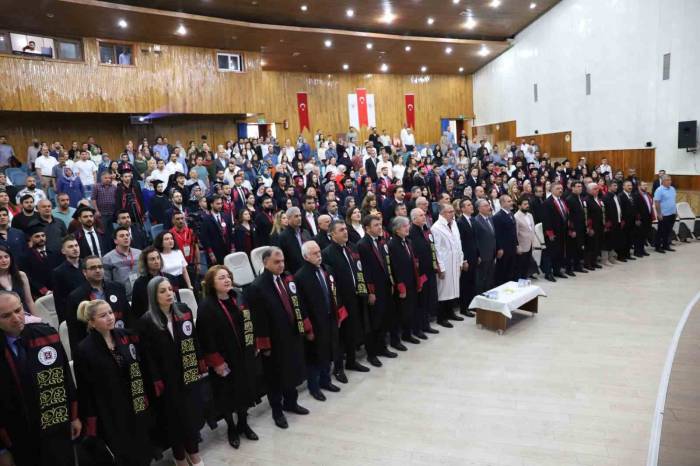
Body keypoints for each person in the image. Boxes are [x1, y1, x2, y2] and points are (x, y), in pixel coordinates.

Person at [0, 290, 81, 466]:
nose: (16, 318)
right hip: (20, 431)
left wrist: (74, 416)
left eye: (18, 310)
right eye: (6, 316)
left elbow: (66, 377)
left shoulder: (46, 335)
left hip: (55, 424)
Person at [73, 300, 154, 466]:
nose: (110, 317)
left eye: (110, 312)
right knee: (124, 452)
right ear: (91, 322)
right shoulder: (84, 349)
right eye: (103, 315)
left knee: (143, 446)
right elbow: (85, 389)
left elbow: (138, 368)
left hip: (135, 401)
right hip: (110, 409)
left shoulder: (126, 335)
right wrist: (91, 418)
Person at [137, 277, 205, 466]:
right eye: (163, 291)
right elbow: (147, 356)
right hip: (166, 377)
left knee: (191, 414)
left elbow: (194, 338)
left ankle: (194, 452)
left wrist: (200, 362)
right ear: (153, 295)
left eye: (170, 289)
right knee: (174, 419)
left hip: (188, 369)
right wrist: (156, 379)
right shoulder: (147, 321)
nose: (169, 294)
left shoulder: (183, 311)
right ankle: (180, 457)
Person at [245, 247, 310, 429]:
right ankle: (277, 411)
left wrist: (303, 325)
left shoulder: (288, 278)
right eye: (276, 262)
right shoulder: (257, 287)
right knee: (275, 377)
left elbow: (297, 302)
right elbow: (258, 319)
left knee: (292, 371)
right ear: (265, 263)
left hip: (292, 333)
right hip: (274, 340)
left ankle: (291, 402)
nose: (281, 265)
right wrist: (265, 345)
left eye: (282, 261)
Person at [196, 266, 259, 449]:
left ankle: (243, 423)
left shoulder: (238, 296)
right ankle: (231, 427)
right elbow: (205, 338)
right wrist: (217, 362)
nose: (227, 280)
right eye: (221, 278)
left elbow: (248, 322)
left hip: (243, 355)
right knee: (226, 395)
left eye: (228, 276)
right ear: (212, 283)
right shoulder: (207, 306)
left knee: (244, 390)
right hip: (224, 360)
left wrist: (252, 344)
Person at [322, 220, 371, 376]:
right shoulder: (327, 253)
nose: (345, 232)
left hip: (356, 295)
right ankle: (338, 369)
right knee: (340, 336)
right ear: (332, 234)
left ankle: (351, 361)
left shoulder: (352, 247)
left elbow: (359, 270)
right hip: (340, 300)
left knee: (352, 331)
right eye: (341, 230)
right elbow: (330, 280)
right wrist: (338, 303)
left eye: (345, 229)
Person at [295, 241, 342, 401]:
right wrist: (308, 329)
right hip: (315, 322)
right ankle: (314, 387)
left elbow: (333, 293)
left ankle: (326, 380)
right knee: (314, 356)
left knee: (328, 351)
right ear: (306, 256)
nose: (319, 255)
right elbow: (301, 306)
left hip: (329, 317)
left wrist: (338, 314)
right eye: (315, 253)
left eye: (319, 252)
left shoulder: (326, 269)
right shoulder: (300, 277)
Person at [65, 256, 131, 350]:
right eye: (93, 268)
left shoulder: (117, 288)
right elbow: (75, 332)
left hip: (120, 340)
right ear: (84, 272)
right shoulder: (75, 297)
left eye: (100, 267)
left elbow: (129, 317)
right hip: (94, 346)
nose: (98, 270)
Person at [388, 216, 423, 343]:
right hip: (402, 283)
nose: (408, 228)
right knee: (401, 312)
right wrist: (400, 286)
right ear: (397, 229)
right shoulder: (392, 244)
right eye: (404, 226)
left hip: (412, 281)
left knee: (411, 309)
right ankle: (396, 339)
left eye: (408, 225)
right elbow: (395, 267)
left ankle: (408, 334)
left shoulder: (408, 241)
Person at [431, 202, 464, 328]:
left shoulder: (454, 223)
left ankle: (450, 313)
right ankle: (441, 317)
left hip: (455, 261)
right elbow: (437, 249)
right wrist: (441, 267)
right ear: (442, 213)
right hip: (445, 263)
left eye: (453, 211)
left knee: (453, 289)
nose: (452, 214)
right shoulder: (436, 228)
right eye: (450, 212)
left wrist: (461, 260)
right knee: (443, 291)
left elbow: (458, 242)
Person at [408, 207, 441, 332]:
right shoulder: (412, 232)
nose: (424, 217)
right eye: (421, 215)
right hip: (420, 272)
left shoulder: (425, 230)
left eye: (424, 215)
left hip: (429, 269)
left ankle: (426, 324)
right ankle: (418, 327)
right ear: (414, 218)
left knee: (428, 298)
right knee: (421, 300)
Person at [51, 235, 86, 323]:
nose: (75, 249)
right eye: (70, 246)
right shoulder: (58, 272)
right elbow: (59, 301)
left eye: (76, 245)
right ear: (63, 251)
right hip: (73, 313)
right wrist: (64, 321)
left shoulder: (87, 265)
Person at [102, 226, 142, 300]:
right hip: (122, 296)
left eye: (127, 235)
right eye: (122, 236)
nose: (126, 237)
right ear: (115, 241)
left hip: (141, 292)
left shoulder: (139, 253)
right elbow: (107, 282)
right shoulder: (107, 258)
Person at [23, 223, 62, 298]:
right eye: (37, 236)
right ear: (31, 238)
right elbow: (29, 277)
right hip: (40, 294)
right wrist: (44, 290)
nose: (41, 238)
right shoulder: (26, 256)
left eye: (43, 236)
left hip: (58, 290)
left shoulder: (55, 252)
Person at [0, 244, 38, 317]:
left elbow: (29, 301)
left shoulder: (21, 275)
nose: (4, 260)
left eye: (6, 257)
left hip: (25, 316)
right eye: (0, 258)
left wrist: (37, 319)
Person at [542, 182, 569, 279]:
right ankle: (548, 273)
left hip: (562, 231)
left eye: (561, 188)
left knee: (559, 251)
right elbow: (546, 219)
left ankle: (557, 270)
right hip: (552, 232)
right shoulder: (547, 202)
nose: (560, 190)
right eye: (558, 188)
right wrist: (549, 233)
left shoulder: (562, 200)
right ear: (552, 190)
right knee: (550, 252)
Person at [456, 199, 477, 317]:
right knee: (465, 283)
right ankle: (464, 308)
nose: (471, 206)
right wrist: (464, 260)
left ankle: (471, 304)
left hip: (474, 255)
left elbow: (475, 239)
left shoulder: (472, 220)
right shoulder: (460, 222)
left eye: (471, 204)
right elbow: (461, 243)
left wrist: (478, 255)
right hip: (466, 257)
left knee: (472, 282)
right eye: (468, 205)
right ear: (462, 208)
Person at [200, 195, 234, 266]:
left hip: (227, 249)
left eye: (221, 203)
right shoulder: (206, 219)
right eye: (217, 204)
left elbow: (230, 233)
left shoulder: (226, 216)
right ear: (211, 204)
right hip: (215, 251)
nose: (220, 205)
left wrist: (232, 247)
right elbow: (205, 238)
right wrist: (210, 253)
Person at [492, 194, 518, 286]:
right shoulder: (497, 217)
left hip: (512, 247)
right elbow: (497, 235)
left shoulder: (511, 214)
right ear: (502, 203)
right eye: (509, 201)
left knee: (511, 269)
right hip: (504, 249)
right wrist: (499, 248)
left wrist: (517, 244)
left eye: (511, 201)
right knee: (502, 270)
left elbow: (514, 231)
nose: (511, 203)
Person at [277, 207, 311, 274]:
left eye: (300, 215)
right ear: (289, 218)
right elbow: (283, 257)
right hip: (295, 272)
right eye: (296, 216)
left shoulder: (305, 232)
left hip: (310, 267)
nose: (299, 218)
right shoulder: (283, 237)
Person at [473, 199, 497, 293]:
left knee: (490, 277)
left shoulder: (490, 218)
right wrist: (478, 255)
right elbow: (476, 240)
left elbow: (493, 235)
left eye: (488, 205)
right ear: (479, 208)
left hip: (491, 253)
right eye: (485, 206)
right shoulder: (476, 221)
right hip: (483, 254)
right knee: (481, 278)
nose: (489, 208)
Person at [564, 181, 588, 273]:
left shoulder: (580, 198)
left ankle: (577, 266)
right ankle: (569, 269)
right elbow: (569, 216)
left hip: (581, 227)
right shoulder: (569, 199)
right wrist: (571, 229)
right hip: (573, 228)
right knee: (571, 249)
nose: (580, 188)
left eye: (581, 186)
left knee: (579, 248)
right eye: (577, 186)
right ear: (572, 188)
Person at [514, 197, 537, 279]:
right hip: (521, 246)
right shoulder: (516, 217)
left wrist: (533, 243)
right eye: (525, 204)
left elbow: (532, 230)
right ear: (519, 206)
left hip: (530, 244)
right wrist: (518, 246)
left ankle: (525, 281)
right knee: (520, 267)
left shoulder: (530, 215)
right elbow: (515, 234)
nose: (527, 206)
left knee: (527, 266)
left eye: (528, 204)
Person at [584, 183, 604, 271]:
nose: (597, 190)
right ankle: (587, 263)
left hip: (599, 225)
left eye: (597, 188)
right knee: (590, 246)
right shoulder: (587, 200)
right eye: (595, 189)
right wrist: (589, 227)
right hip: (592, 227)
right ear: (589, 190)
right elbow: (586, 215)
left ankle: (594, 262)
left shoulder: (598, 199)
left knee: (596, 245)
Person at [654, 175, 676, 253]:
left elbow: (673, 200)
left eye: (670, 180)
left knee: (668, 231)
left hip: (672, 214)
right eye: (667, 180)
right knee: (661, 231)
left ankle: (666, 245)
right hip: (664, 214)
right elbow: (657, 203)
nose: (669, 181)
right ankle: (657, 247)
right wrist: (659, 214)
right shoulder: (659, 190)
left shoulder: (672, 189)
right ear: (663, 181)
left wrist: (675, 212)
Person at [634, 181, 654, 257]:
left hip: (647, 217)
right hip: (640, 219)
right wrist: (637, 219)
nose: (645, 186)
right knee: (638, 236)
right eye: (644, 185)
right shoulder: (636, 195)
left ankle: (642, 250)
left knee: (644, 235)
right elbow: (635, 208)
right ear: (639, 186)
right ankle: (637, 251)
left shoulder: (648, 194)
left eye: (646, 185)